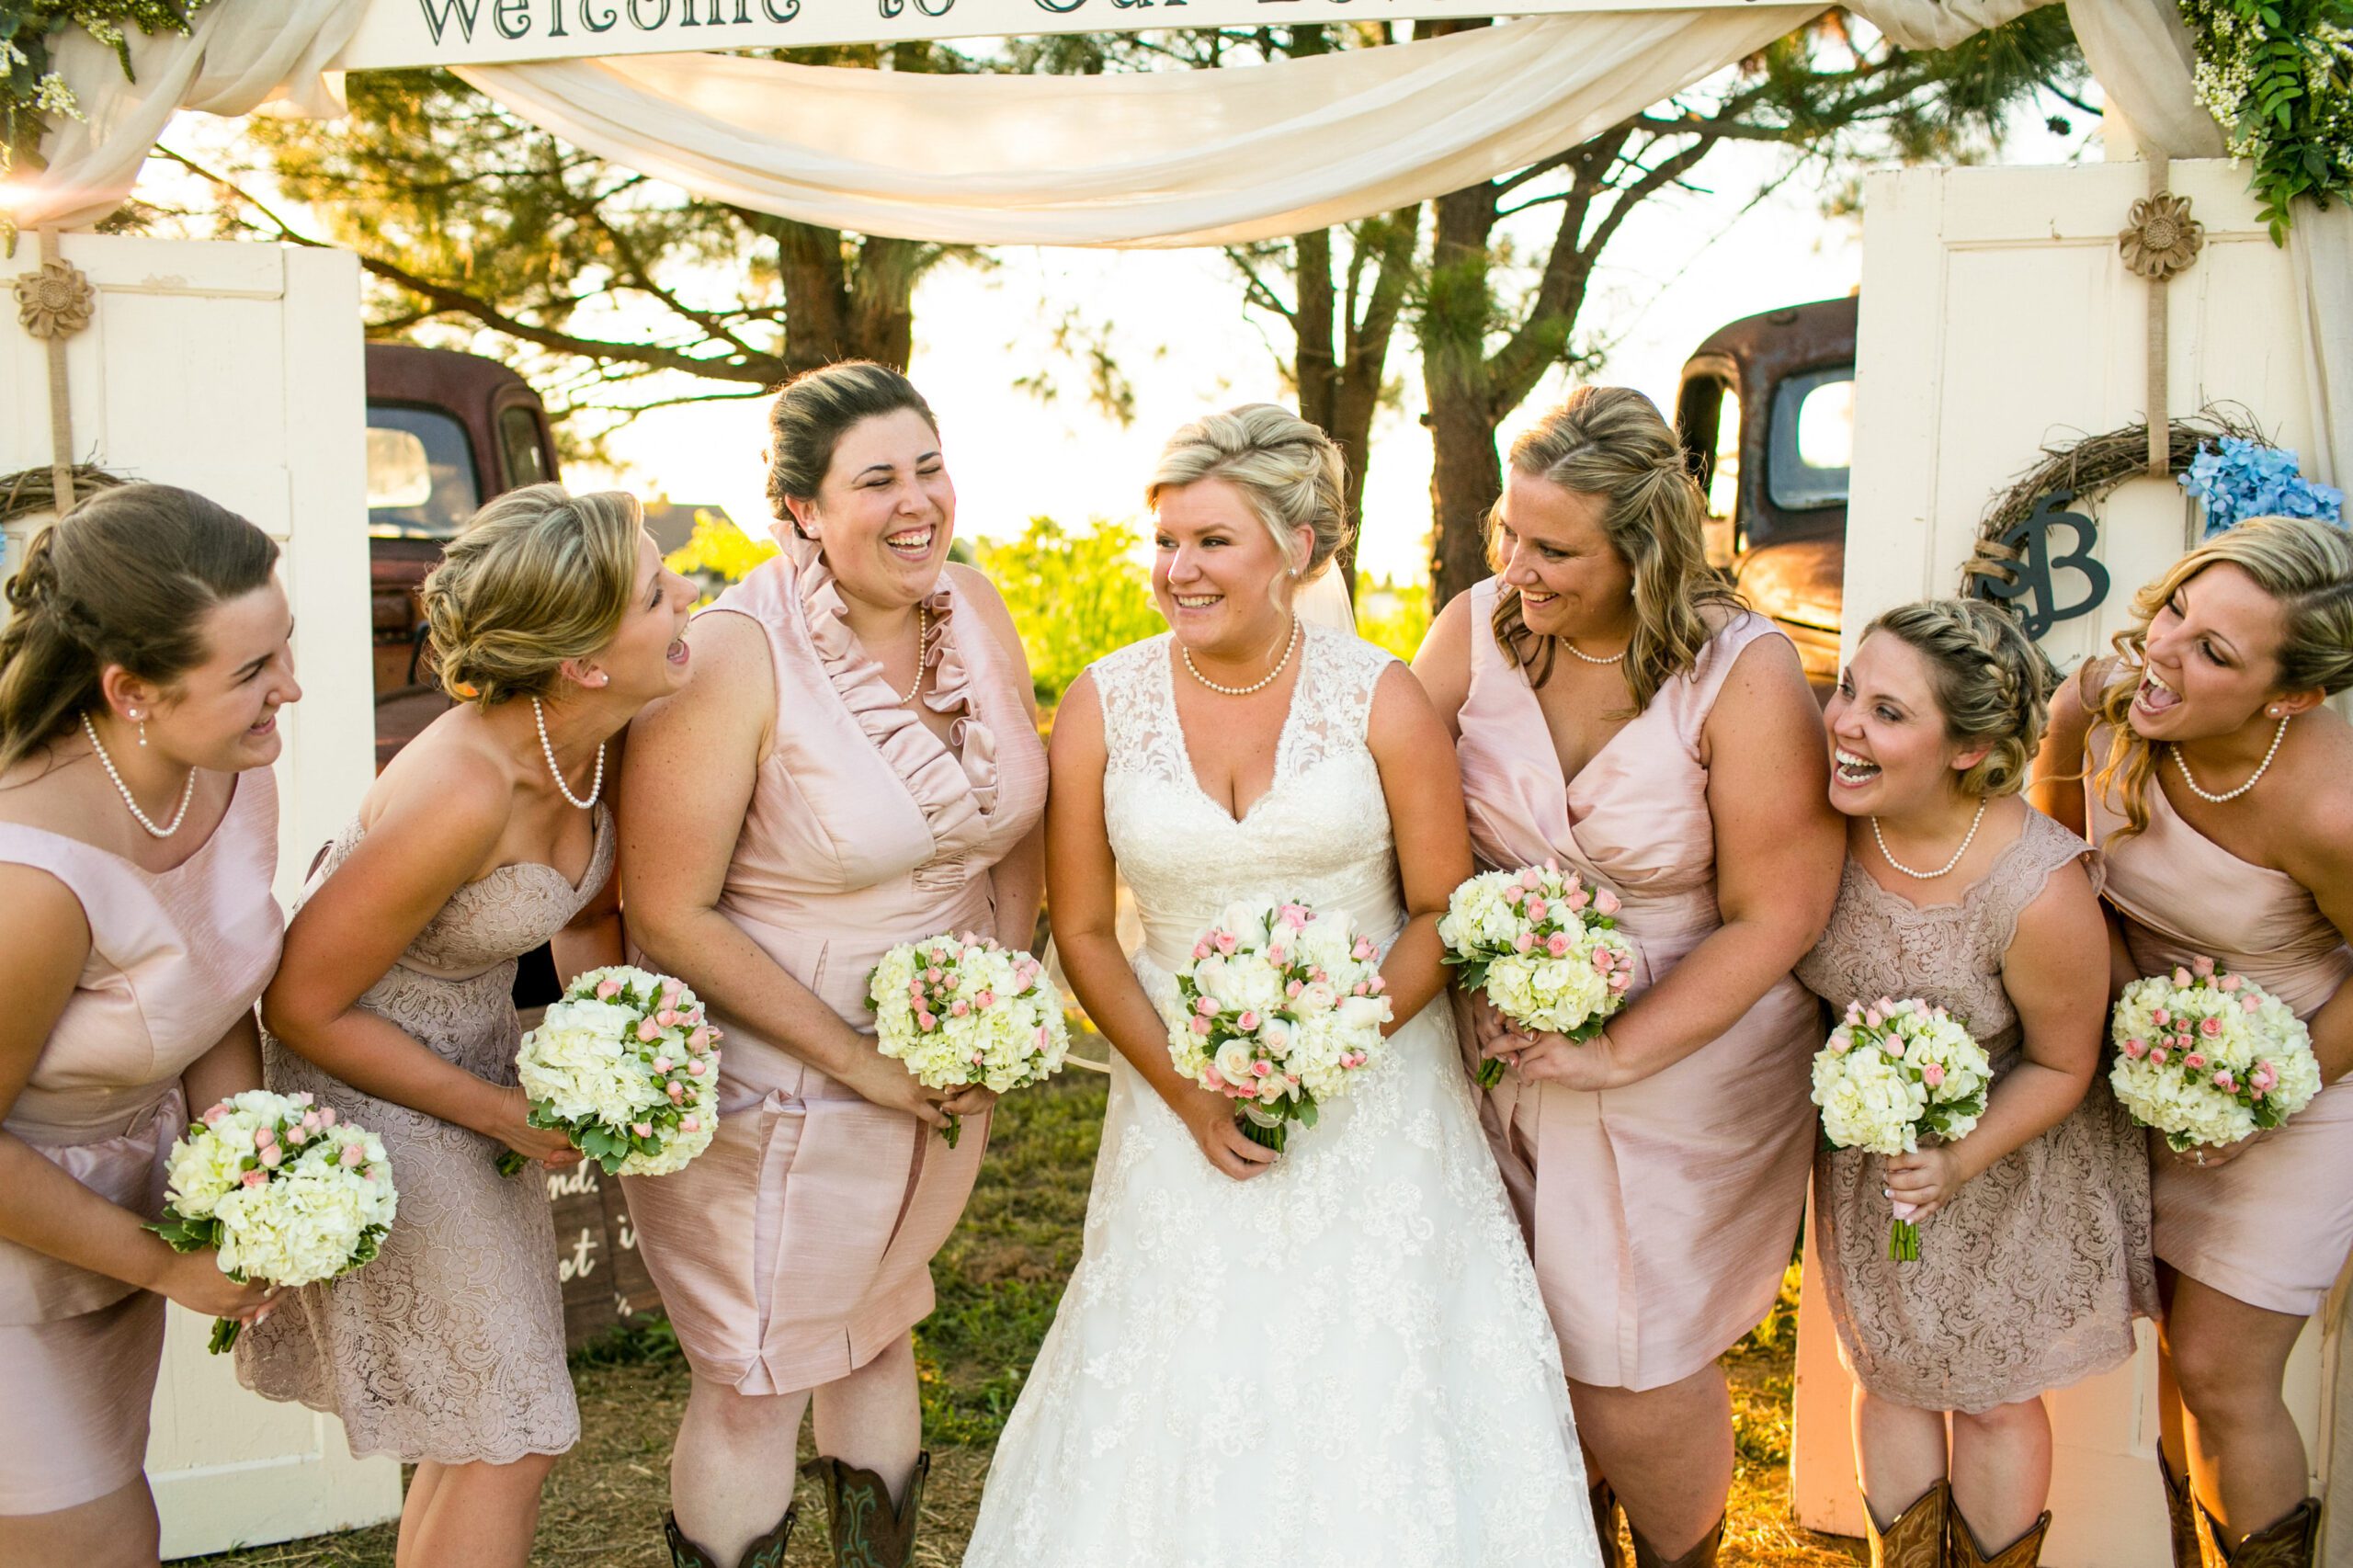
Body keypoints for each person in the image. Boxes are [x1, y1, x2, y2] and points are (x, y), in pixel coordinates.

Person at [963, 403, 1601, 1566]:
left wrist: (1331, 1042)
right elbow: (1089, 933)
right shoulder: (1105, 701)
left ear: (1298, 547)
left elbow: (1436, 910)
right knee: (1181, 1370)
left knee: (1374, 1369)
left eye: (1212, 540)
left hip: (1377, 1094)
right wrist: (1189, 1089)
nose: (1176, 569)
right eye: (1164, 540)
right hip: (1174, 1091)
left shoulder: (1382, 696)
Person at [619, 362, 1048, 1568]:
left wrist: (992, 1004)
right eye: (877, 480)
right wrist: (861, 1062)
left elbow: (1011, 826)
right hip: (779, 1094)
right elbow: (667, 910)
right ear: (801, 509)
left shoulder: (976, 604)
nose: (917, 502)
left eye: (929, 465)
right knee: (756, 1374)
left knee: (874, 1332)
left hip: (936, 1086)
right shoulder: (734, 653)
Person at [1414, 385, 1842, 1567]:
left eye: (1555, 548)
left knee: (1628, 1351)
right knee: (1521, 1331)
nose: (1518, 566)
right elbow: (1395, 805)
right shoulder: (1473, 626)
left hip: (1691, 1039)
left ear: (1643, 546)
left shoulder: (1739, 672)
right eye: (1509, 531)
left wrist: (1617, 1048)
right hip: (1500, 1030)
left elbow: (1779, 915)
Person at [236, 485, 695, 1568]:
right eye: (654, 592)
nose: (686, 597)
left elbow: (581, 908)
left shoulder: (593, 740)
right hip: (375, 1086)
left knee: (481, 1430)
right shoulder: (464, 788)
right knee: (509, 1432)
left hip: (482, 1078)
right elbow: (298, 1002)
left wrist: (617, 1053)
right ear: (583, 659)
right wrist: (500, 1109)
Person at [1798, 598, 2154, 1568]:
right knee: (1888, 1373)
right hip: (1874, 1165)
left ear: (1966, 749)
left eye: (1887, 712)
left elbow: (2064, 1061)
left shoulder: (2036, 889)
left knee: (1993, 1399)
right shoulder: (1820, 826)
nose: (1843, 723)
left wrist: (1955, 1159)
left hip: (2008, 1164)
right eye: (1845, 691)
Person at [2036, 516, 2352, 1568]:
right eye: (2177, 607)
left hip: (2307, 1076)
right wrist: (2134, 1034)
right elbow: (2060, 868)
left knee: (2223, 1369)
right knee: (2173, 1352)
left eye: (2214, 651)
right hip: (2150, 1069)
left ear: (2289, 695)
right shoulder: (2097, 705)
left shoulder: (2332, 807)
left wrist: (2261, 1093)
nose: (2162, 651)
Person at [0, 484, 297, 1565]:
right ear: (131, 689)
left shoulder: (223, 768)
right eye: (252, 672)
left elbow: (216, 986)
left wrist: (245, 1174)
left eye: (285, 648)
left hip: (111, 1219)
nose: (291, 690)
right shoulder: (30, 878)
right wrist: (168, 1264)